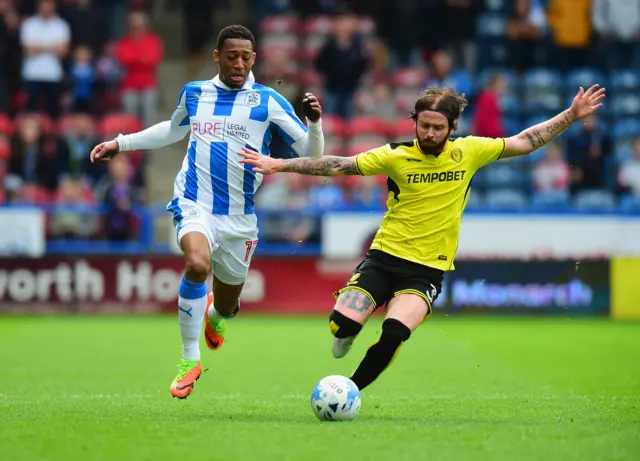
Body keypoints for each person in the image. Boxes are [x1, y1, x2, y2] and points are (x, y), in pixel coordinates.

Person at [239, 84, 605, 392]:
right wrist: (279, 164)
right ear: (414, 122)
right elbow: (338, 164)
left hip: (427, 269)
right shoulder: (396, 155)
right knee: (342, 325)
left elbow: (524, 141)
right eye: (424, 125)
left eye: (438, 127)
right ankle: (348, 330)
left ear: (452, 126)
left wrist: (570, 115)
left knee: (395, 332)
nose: (429, 134)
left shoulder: (470, 151)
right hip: (383, 257)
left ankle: (347, 390)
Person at [90, 25, 325, 398]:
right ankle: (189, 359)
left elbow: (312, 155)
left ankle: (216, 314)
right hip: (194, 201)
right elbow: (171, 130)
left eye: (246, 57)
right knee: (197, 264)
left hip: (239, 218)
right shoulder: (196, 93)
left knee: (228, 306)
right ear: (218, 56)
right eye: (231, 56)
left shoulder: (268, 101)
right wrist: (121, 143)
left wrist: (314, 122)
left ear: (254, 59)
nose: (239, 63)